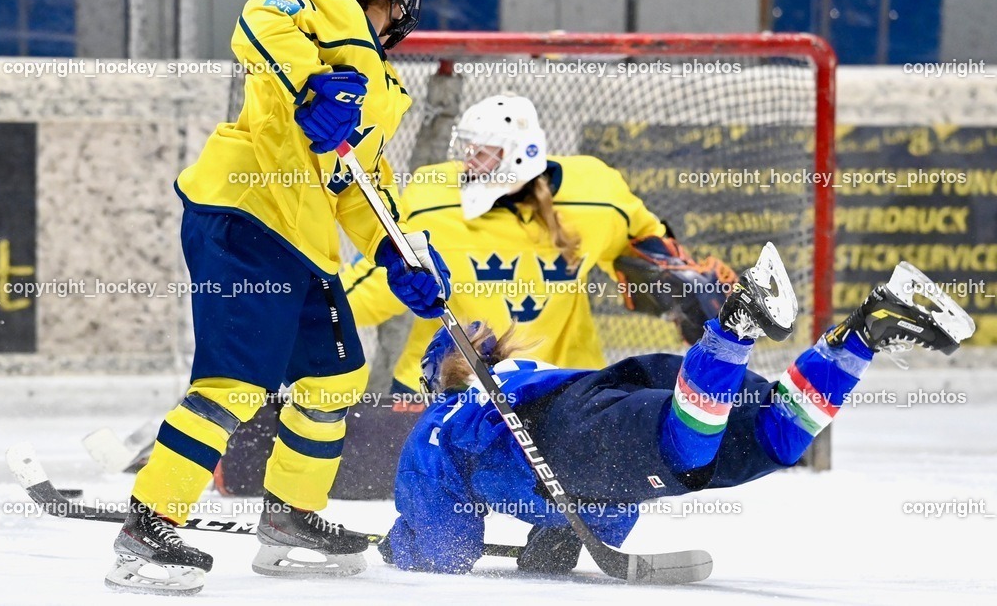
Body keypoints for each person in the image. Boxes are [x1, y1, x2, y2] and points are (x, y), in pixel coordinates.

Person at [106, 0, 451, 594]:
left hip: (299, 238)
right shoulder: (326, 12)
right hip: (247, 215)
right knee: (233, 383)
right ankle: (148, 526)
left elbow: (357, 184)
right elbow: (257, 18)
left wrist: (399, 250)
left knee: (336, 376)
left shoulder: (381, 85)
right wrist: (311, 85)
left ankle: (290, 516)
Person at [378, 249, 975, 575]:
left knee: (680, 451)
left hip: (577, 432)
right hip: (627, 396)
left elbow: (446, 549)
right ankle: (869, 328)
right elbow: (608, 497)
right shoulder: (522, 376)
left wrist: (402, 545)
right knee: (777, 434)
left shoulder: (441, 422)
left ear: (438, 378)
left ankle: (736, 325)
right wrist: (556, 543)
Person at [343, 93, 737, 394]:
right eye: (467, 150)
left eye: (482, 152)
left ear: (518, 156)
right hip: (446, 387)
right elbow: (377, 282)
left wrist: (684, 288)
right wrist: (321, 310)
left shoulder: (596, 195)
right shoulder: (433, 197)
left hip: (565, 387)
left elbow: (646, 248)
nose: (468, 162)